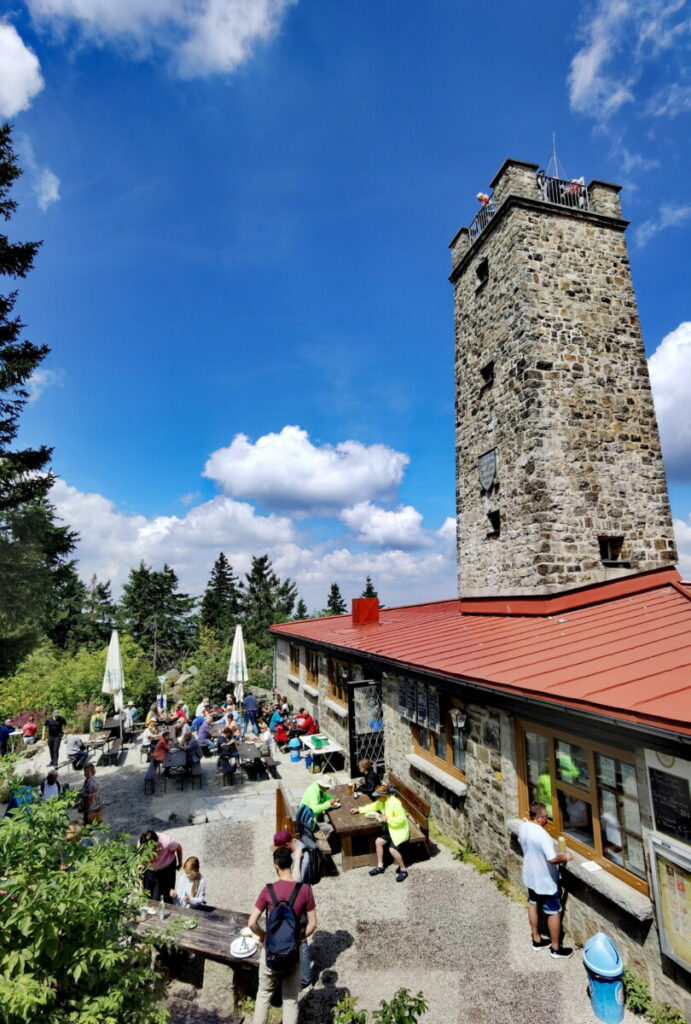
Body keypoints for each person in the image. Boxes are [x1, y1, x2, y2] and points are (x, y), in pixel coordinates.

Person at [248, 846, 317, 1024]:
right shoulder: (304, 891)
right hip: (292, 954)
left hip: (270, 952)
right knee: (290, 1000)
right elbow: (313, 924)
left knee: (263, 995)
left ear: (275, 867)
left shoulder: (267, 890)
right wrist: (298, 938)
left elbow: (251, 923)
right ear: (291, 864)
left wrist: (264, 936)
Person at [518, 802, 574, 959]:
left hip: (530, 875)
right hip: (545, 880)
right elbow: (552, 859)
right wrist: (565, 856)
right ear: (538, 818)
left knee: (533, 904)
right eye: (545, 817)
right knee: (554, 912)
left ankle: (536, 939)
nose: (547, 820)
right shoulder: (542, 835)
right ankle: (556, 948)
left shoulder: (523, 827)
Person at [351, 783, 409, 882]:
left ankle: (403, 870)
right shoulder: (381, 801)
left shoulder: (395, 803)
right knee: (378, 842)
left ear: (384, 795)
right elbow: (372, 807)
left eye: (378, 796)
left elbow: (401, 820)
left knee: (392, 850)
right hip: (391, 829)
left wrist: (388, 819)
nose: (377, 798)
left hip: (399, 830)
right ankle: (380, 867)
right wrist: (359, 810)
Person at [139, 830, 184, 903]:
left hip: (166, 869)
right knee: (146, 896)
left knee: (164, 897)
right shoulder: (141, 844)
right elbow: (140, 862)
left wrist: (180, 863)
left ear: (157, 843)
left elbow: (179, 848)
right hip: (150, 870)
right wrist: (141, 881)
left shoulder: (167, 842)